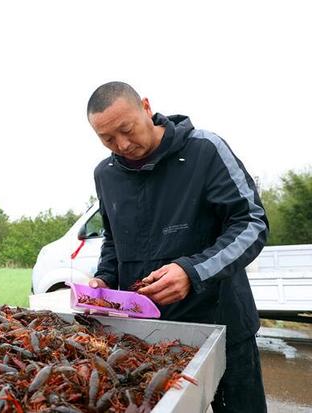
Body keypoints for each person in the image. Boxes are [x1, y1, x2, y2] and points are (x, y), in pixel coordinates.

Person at [86, 81, 268, 412]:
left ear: (145, 106)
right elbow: (113, 241)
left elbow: (251, 223)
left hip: (222, 327)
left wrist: (192, 271)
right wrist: (103, 280)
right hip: (147, 337)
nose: (122, 144)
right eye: (107, 139)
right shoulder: (105, 174)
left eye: (127, 130)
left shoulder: (205, 150)